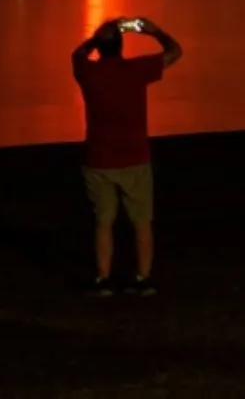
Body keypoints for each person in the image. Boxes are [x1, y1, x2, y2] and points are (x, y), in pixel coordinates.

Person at [72, 17, 183, 296]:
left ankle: (104, 278)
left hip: (99, 158)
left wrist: (98, 37)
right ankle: (143, 278)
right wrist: (153, 30)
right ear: (121, 46)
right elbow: (175, 52)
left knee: (104, 222)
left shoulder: (88, 73)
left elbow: (77, 54)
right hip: (134, 156)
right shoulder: (136, 70)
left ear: (99, 47)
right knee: (142, 221)